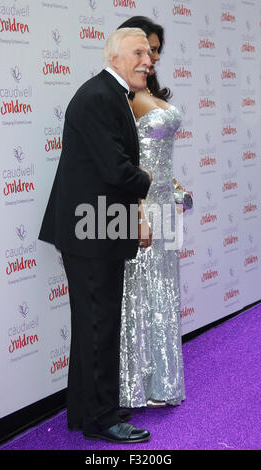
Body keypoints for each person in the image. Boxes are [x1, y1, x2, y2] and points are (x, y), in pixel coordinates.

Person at [38, 28, 153, 443]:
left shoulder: (107, 94)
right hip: (91, 235)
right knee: (99, 326)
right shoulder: (100, 96)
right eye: (139, 52)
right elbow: (116, 170)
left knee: (94, 325)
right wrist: (147, 178)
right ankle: (102, 419)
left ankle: (89, 410)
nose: (148, 60)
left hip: (98, 229)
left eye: (150, 54)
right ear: (116, 55)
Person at [118, 17, 186, 408]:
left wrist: (175, 186)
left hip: (165, 206)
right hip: (141, 207)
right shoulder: (122, 97)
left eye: (157, 50)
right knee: (139, 293)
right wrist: (139, 210)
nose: (152, 57)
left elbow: (159, 155)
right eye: (145, 50)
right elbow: (128, 159)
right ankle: (137, 384)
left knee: (163, 293)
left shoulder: (151, 92)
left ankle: (163, 382)